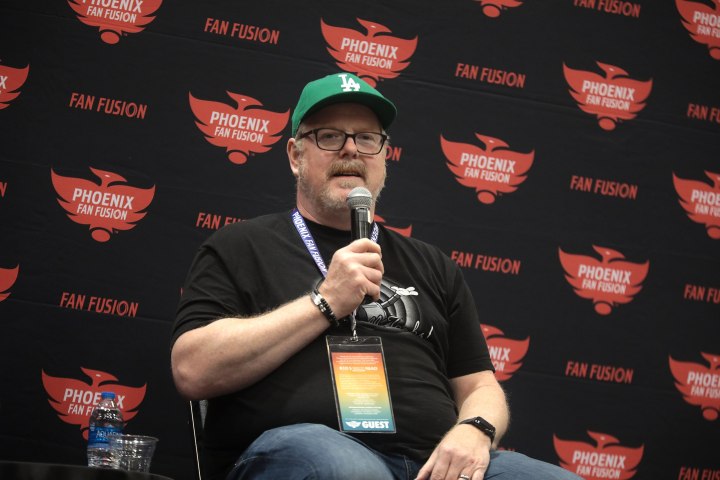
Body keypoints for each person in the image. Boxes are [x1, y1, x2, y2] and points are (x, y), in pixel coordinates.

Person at [171, 72, 582, 480]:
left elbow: (480, 387)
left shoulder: (433, 264)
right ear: (296, 156)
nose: (351, 150)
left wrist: (474, 430)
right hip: (313, 455)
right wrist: (324, 302)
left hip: (433, 466)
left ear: (385, 157)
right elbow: (192, 368)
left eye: (367, 139)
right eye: (330, 136)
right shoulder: (241, 245)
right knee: (346, 469)